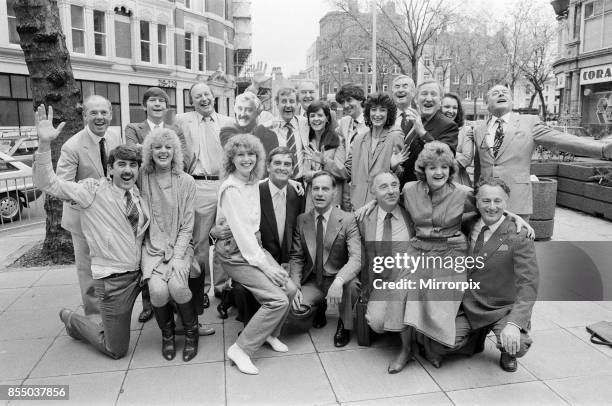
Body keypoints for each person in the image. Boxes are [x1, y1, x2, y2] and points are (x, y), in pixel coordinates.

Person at [355, 141, 533, 369]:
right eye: (432, 167)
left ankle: (432, 346)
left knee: (438, 302)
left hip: (451, 253)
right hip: (418, 251)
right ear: (423, 170)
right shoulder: (410, 189)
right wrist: (371, 203)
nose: (438, 172)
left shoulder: (462, 192)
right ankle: (405, 350)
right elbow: (390, 197)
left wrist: (513, 216)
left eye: (444, 167)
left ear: (450, 170)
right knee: (403, 293)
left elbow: (489, 202)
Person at [34, 105, 146, 359]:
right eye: (121, 165)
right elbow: (47, 183)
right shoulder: (92, 191)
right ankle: (73, 321)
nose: (127, 170)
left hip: (140, 274)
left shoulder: (136, 194)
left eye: (132, 165)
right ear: (110, 169)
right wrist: (43, 144)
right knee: (115, 349)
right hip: (114, 281)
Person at [429, 178, 539, 372]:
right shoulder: (467, 223)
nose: (492, 207)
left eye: (498, 201)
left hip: (501, 307)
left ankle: (508, 348)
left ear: (506, 203)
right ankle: (476, 335)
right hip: (470, 304)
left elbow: (529, 285)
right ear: (476, 202)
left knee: (517, 344)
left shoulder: (519, 235)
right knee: (438, 345)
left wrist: (514, 324)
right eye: (486, 201)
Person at [216, 133, 297, 375]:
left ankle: (270, 334)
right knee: (278, 298)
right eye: (240, 154)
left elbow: (276, 182)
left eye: (251, 153)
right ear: (231, 159)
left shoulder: (252, 181)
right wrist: (268, 267)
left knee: (290, 289)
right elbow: (242, 236)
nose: (246, 158)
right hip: (236, 253)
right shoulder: (231, 188)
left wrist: (293, 183)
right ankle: (241, 349)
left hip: (253, 246)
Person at [473, 84, 612, 219]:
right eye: (495, 93)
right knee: (485, 241)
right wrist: (476, 195)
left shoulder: (529, 122)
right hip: (486, 203)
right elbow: (479, 167)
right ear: (486, 103)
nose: (501, 94)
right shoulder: (478, 130)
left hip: (516, 200)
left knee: (516, 241)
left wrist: (601, 149)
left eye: (505, 92)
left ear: (512, 101)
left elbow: (559, 139)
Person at [213, 147, 305, 322]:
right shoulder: (253, 188)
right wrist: (214, 232)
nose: (282, 168)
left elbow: (297, 234)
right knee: (243, 290)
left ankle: (267, 324)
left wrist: (289, 182)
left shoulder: (297, 193)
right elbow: (227, 221)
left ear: (292, 170)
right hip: (251, 256)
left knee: (290, 299)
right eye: (277, 163)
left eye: (287, 165)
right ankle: (239, 309)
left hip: (279, 259)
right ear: (267, 166)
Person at [124, 86, 192, 324]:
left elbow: (185, 154)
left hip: (173, 188)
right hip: (149, 190)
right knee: (155, 283)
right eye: (152, 101)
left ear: (167, 106)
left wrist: (161, 149)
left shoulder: (175, 130)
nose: (157, 105)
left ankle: (179, 309)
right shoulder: (133, 128)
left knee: (177, 277)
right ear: (145, 105)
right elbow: (132, 152)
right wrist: (151, 149)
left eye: (162, 101)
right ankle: (150, 305)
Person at [140, 128, 206, 362]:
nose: (163, 151)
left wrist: (178, 257)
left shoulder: (186, 181)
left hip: (180, 247)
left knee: (177, 287)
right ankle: (167, 336)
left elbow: (187, 226)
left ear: (175, 151)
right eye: (157, 147)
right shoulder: (142, 177)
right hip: (152, 248)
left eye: (168, 147)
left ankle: (191, 334)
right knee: (157, 291)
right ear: (149, 151)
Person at [55, 95, 122, 323]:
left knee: (110, 265)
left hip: (110, 217)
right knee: (87, 268)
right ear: (85, 116)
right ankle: (94, 318)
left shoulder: (115, 137)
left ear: (111, 115)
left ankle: (112, 311)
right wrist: (87, 192)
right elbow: (62, 186)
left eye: (104, 112)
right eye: (93, 113)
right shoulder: (72, 146)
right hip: (82, 218)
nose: (99, 117)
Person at [176, 82, 234, 311]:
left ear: (214, 96)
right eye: (198, 96)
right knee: (200, 240)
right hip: (198, 184)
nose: (204, 99)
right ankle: (202, 288)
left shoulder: (228, 123)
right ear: (192, 101)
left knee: (224, 237)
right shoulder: (182, 120)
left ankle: (221, 287)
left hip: (223, 183)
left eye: (207, 94)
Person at [289, 171, 362, 347]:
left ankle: (344, 325)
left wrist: (338, 281)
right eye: (316, 189)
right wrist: (295, 285)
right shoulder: (302, 220)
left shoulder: (347, 219)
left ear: (334, 192)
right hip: (313, 279)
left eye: (325, 189)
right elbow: (297, 257)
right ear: (310, 192)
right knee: (295, 311)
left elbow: (356, 258)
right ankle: (319, 307)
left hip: (338, 278)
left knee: (352, 286)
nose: (320, 193)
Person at [358, 172, 416, 374]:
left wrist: (508, 214)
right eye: (383, 187)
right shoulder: (363, 218)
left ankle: (406, 349)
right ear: (372, 191)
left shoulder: (412, 211)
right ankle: (403, 327)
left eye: (394, 185)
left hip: (411, 276)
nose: (391, 190)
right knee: (378, 323)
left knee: (405, 299)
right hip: (382, 281)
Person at [336, 92, 406, 210]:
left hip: (380, 206)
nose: (377, 114)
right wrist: (325, 162)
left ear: (389, 114)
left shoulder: (395, 137)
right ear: (368, 112)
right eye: (374, 109)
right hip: (357, 205)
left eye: (382, 110)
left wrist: (393, 167)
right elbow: (347, 171)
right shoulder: (359, 139)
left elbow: (399, 176)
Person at [397, 79, 459, 188]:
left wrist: (423, 133)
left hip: (427, 190)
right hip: (403, 187)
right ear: (416, 100)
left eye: (433, 94)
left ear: (440, 101)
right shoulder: (412, 120)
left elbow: (446, 157)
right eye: (424, 94)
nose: (428, 98)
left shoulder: (449, 125)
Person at [302, 101, 346, 212]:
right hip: (312, 199)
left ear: (327, 118)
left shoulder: (337, 140)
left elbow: (342, 171)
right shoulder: (306, 141)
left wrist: (324, 161)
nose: (316, 119)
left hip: (331, 199)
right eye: (312, 116)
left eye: (320, 115)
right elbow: (305, 174)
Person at [335, 84, 366, 211]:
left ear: (360, 99)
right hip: (347, 181)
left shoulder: (371, 122)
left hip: (364, 182)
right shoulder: (344, 122)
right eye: (343, 102)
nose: (346, 105)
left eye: (349, 100)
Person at [272, 87, 309, 180]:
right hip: (278, 181)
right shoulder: (269, 128)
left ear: (297, 104)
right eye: (284, 101)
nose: (288, 105)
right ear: (277, 104)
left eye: (292, 101)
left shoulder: (305, 123)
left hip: (301, 182)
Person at [441, 93, 474, 186]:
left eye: (455, 108)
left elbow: (466, 159)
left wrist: (439, 153)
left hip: (458, 180)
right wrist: (456, 154)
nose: (451, 111)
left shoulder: (466, 130)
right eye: (447, 107)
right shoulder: (432, 128)